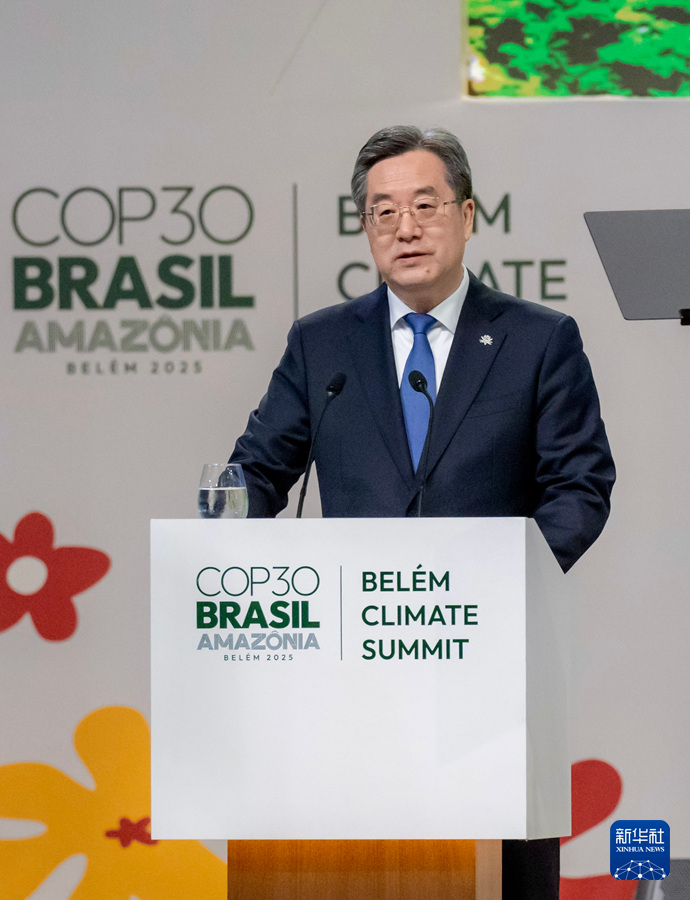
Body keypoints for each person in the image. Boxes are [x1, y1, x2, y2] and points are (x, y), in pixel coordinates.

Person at [230, 125, 615, 898]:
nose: (404, 228)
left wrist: (503, 580)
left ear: (467, 215)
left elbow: (580, 485)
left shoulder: (538, 340)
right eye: (383, 212)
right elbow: (257, 473)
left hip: (491, 670)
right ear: (365, 228)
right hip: (350, 670)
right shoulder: (321, 346)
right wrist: (221, 533)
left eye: (425, 206)